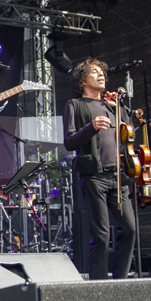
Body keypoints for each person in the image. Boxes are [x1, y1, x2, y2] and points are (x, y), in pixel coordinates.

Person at [62, 58, 136, 280]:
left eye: (102, 72)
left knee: (130, 229)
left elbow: (128, 132)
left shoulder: (110, 105)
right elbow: (69, 142)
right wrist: (91, 127)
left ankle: (120, 281)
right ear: (83, 80)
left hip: (118, 177)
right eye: (95, 72)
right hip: (94, 176)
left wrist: (118, 109)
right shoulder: (75, 105)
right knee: (101, 234)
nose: (101, 75)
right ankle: (98, 284)